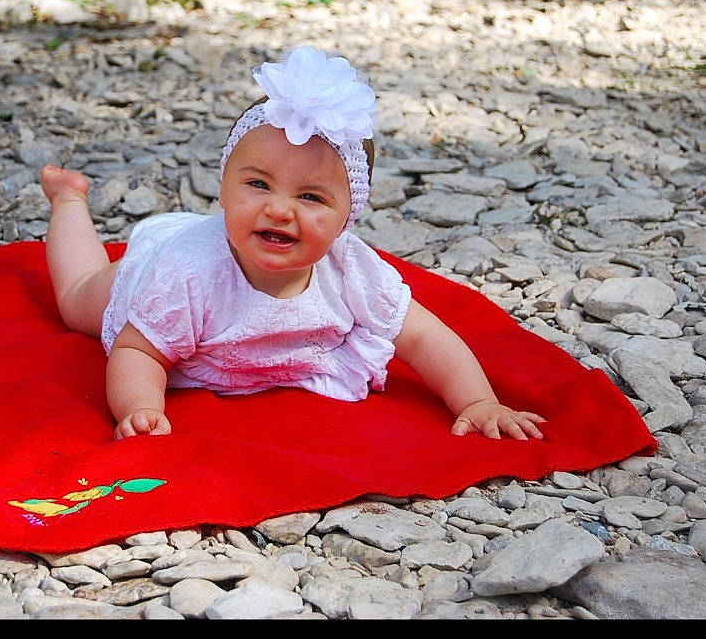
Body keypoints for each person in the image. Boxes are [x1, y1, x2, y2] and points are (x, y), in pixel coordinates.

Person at [40, 44, 546, 444]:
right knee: (76, 301)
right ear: (224, 185)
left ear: (348, 217)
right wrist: (140, 407)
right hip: (147, 282)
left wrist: (477, 402)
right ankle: (68, 203)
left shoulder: (352, 272)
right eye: (257, 184)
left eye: (309, 196)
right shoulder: (185, 273)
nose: (279, 210)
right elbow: (137, 350)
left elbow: (424, 337)